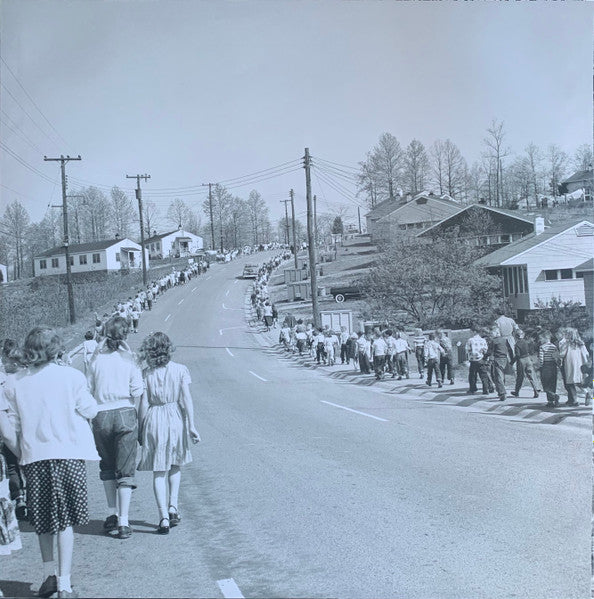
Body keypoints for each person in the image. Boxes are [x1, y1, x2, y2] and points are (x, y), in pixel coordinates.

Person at [2, 327, 99, 598]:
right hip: (69, 454)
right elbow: (90, 409)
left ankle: (48, 576)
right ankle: (65, 584)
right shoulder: (72, 376)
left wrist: (21, 454)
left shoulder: (15, 382)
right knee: (66, 520)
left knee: (43, 520)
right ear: (55, 348)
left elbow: (14, 427)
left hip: (35, 457)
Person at [137, 333, 199, 534]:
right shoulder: (180, 370)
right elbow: (186, 399)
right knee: (175, 464)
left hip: (155, 417)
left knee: (159, 470)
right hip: (175, 417)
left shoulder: (146, 374)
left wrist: (141, 427)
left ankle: (163, 516)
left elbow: (144, 403)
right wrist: (191, 425)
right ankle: (173, 506)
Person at [88, 316, 143, 540]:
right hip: (124, 411)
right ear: (125, 336)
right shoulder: (130, 359)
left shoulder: (95, 361)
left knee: (108, 467)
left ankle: (111, 513)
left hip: (101, 414)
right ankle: (124, 521)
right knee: (126, 471)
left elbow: (88, 388)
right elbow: (137, 391)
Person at [0, 340, 27, 521]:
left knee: (12, 467)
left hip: (8, 428)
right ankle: (32, 498)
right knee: (27, 465)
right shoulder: (27, 379)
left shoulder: (6, 381)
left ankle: (19, 498)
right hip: (26, 428)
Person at [559, 328, 589, 406]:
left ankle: (575, 401)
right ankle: (587, 392)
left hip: (570, 365)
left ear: (568, 335)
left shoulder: (567, 344)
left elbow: (562, 354)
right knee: (579, 381)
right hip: (580, 365)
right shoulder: (581, 344)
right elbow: (586, 354)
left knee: (570, 383)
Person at [510, 329, 539, 399]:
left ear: (516, 336)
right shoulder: (526, 342)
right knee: (531, 375)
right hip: (528, 359)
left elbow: (517, 355)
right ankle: (536, 390)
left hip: (521, 360)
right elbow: (530, 351)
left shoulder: (517, 344)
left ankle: (517, 391)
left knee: (520, 376)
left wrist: (512, 362)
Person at [488, 327, 513, 401]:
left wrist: (484, 357)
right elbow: (510, 350)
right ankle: (501, 390)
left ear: (496, 333)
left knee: (498, 376)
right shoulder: (505, 340)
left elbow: (490, 351)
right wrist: (512, 360)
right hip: (505, 359)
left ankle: (502, 393)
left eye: (492, 333)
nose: (491, 335)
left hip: (497, 359)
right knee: (502, 376)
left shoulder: (494, 341)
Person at [465, 326, 490, 395]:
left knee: (472, 375)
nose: (470, 333)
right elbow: (486, 349)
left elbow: (467, 350)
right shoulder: (483, 340)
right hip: (481, 359)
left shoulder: (470, 340)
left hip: (473, 360)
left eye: (471, 332)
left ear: (474, 332)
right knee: (483, 375)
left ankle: (472, 389)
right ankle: (486, 389)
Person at [538, 331, 560, 407]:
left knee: (545, 384)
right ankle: (552, 400)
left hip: (546, 365)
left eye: (541, 338)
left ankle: (552, 397)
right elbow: (556, 357)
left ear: (546, 338)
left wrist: (540, 366)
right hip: (553, 366)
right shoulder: (554, 347)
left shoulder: (542, 347)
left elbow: (541, 359)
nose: (540, 340)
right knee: (553, 383)